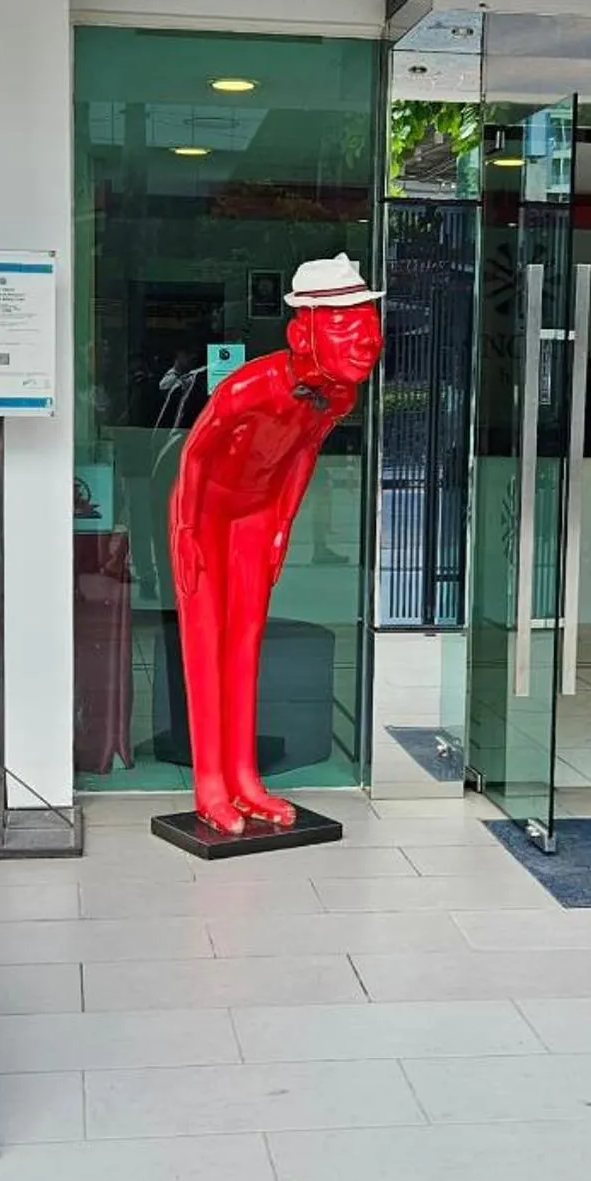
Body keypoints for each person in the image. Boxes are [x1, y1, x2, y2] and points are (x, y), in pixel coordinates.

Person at [167, 253, 384, 834]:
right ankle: (209, 782)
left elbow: (302, 454)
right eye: (344, 324)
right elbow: (197, 451)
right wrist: (186, 529)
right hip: (207, 512)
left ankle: (244, 778)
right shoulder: (253, 385)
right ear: (303, 331)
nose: (363, 338)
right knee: (206, 645)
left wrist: (283, 522)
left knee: (246, 642)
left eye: (366, 322)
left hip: (257, 515)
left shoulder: (338, 396)